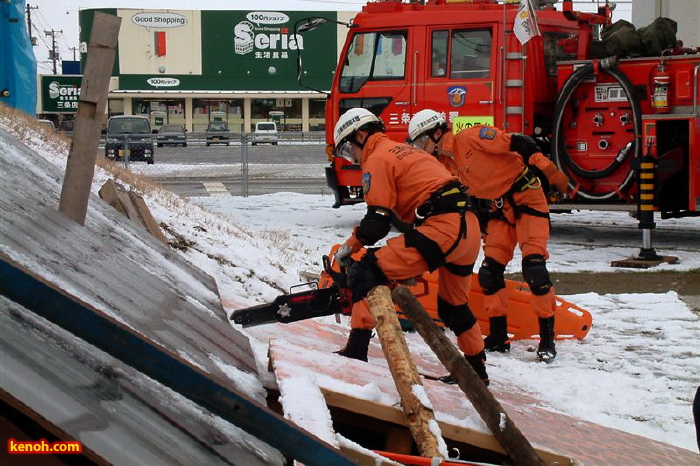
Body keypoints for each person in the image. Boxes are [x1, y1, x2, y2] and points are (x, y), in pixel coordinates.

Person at [331, 108, 489, 385]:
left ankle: (356, 350)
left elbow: (376, 222)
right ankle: (477, 371)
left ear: (360, 135)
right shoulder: (408, 152)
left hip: (443, 228)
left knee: (365, 271)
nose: (351, 158)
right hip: (468, 227)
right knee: (454, 308)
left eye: (347, 150)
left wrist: (350, 247)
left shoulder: (377, 158)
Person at [406, 110, 571, 362]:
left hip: (529, 197)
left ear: (437, 133)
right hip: (500, 208)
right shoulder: (444, 165)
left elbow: (521, 143)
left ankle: (547, 340)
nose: (420, 149)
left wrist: (550, 171)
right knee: (489, 273)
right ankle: (498, 336)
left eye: (421, 142)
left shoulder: (472, 138)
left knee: (534, 269)